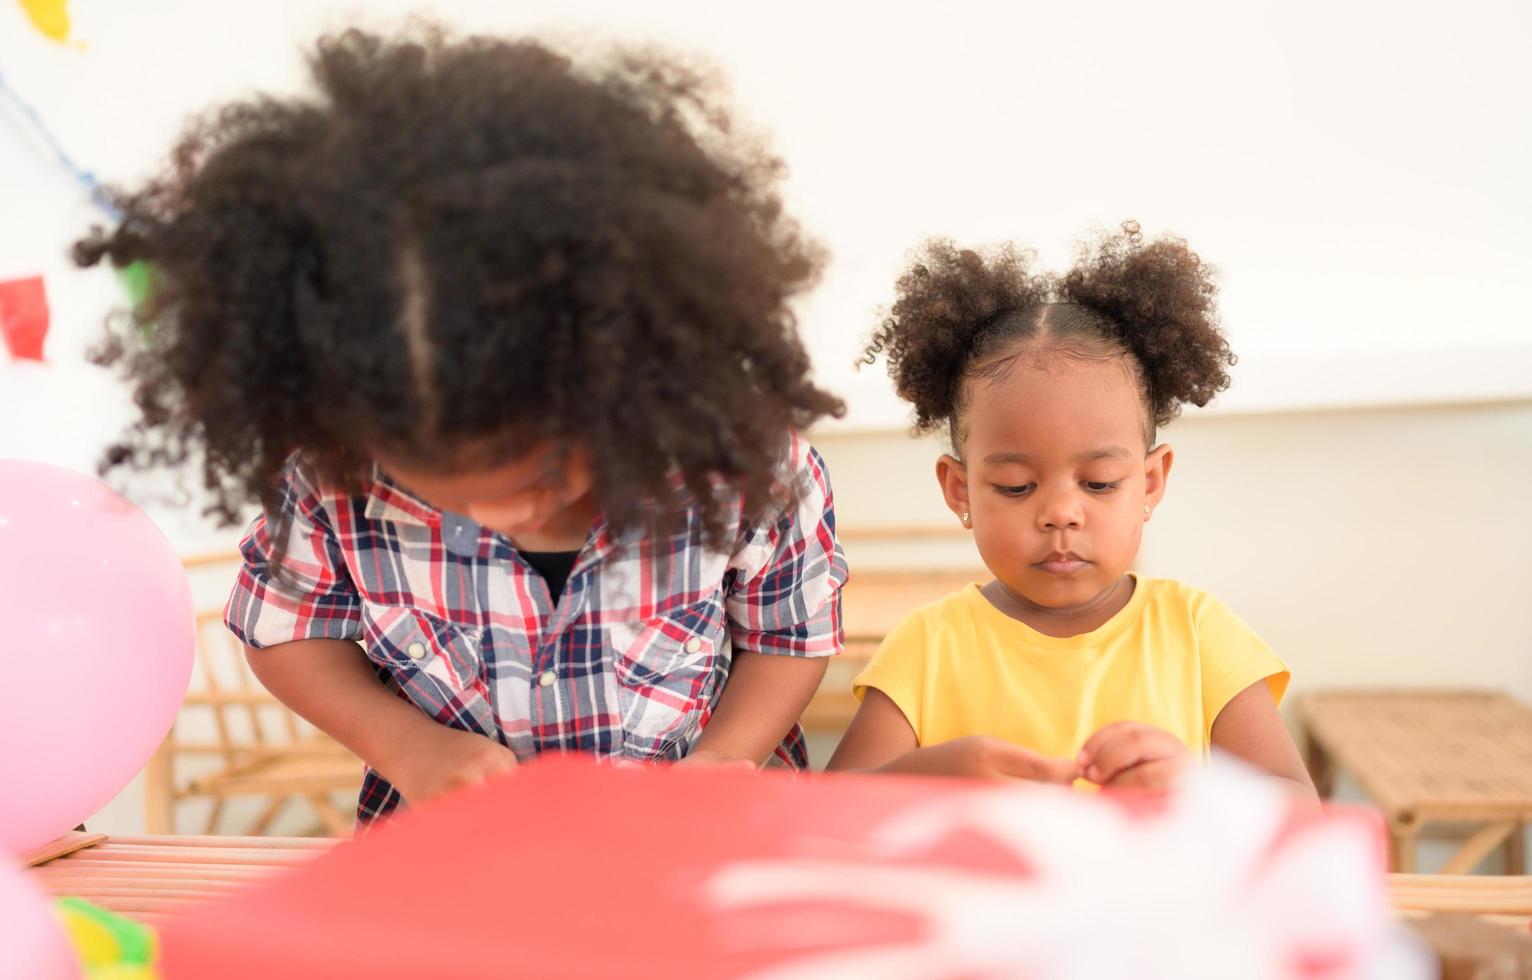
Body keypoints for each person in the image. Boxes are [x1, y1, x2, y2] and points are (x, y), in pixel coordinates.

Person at [75, 28, 848, 825]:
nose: (504, 516)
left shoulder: (742, 462)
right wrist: (407, 745)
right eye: (447, 492)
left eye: (539, 475)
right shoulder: (331, 475)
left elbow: (790, 635)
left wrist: (729, 755)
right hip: (449, 858)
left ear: (621, 372)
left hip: (694, 851)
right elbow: (286, 633)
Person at [828, 223, 1314, 795]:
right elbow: (828, 814)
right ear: (960, 491)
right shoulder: (929, 645)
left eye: (1100, 483)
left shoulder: (1198, 633)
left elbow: (1299, 811)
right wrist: (925, 777)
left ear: (1152, 481)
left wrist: (1195, 790)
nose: (1061, 513)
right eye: (1015, 486)